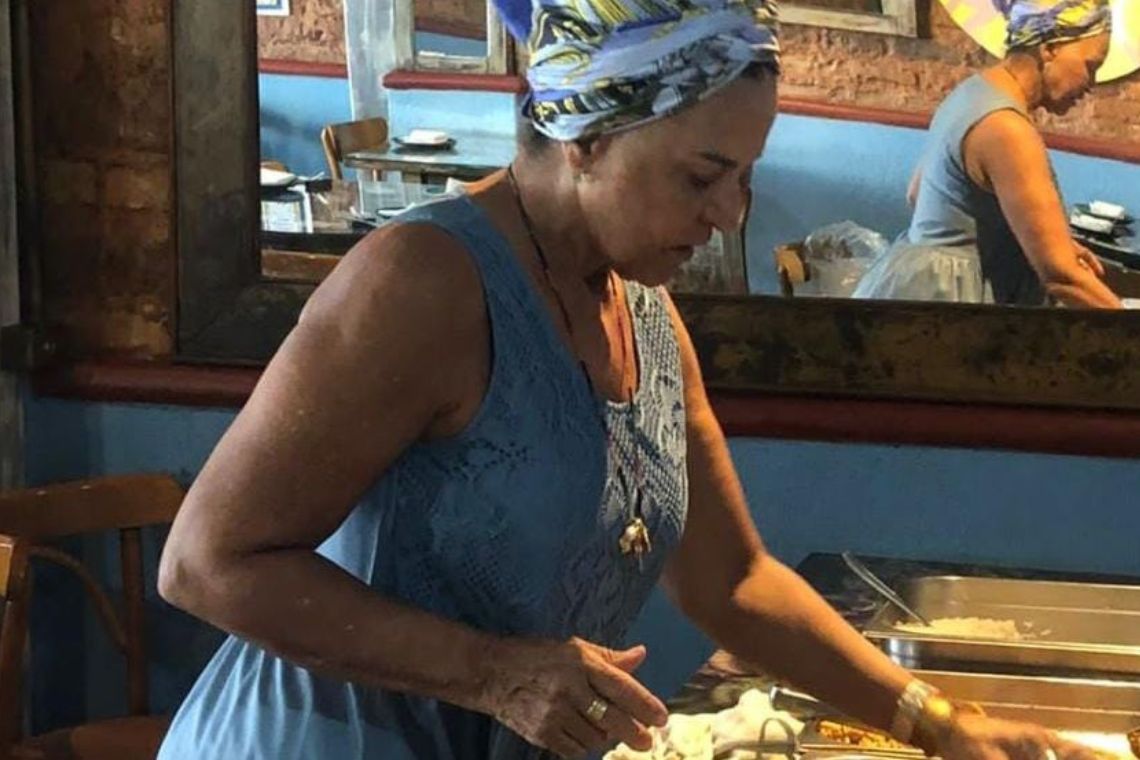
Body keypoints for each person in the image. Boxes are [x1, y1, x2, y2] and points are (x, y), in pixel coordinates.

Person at [155, 0, 1105, 756]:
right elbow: (206, 563)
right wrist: (493, 673)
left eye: (746, 176)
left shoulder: (641, 308)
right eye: (702, 176)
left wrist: (937, 725)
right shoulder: (424, 283)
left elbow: (734, 582)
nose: (731, 214)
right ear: (588, 136)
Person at [853, 0, 1122, 308]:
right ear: (1050, 49)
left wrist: (1036, 239)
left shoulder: (974, 92)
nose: (1093, 84)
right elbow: (1062, 276)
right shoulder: (1006, 128)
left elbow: (917, 195)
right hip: (951, 306)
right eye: (1090, 66)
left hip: (913, 284)